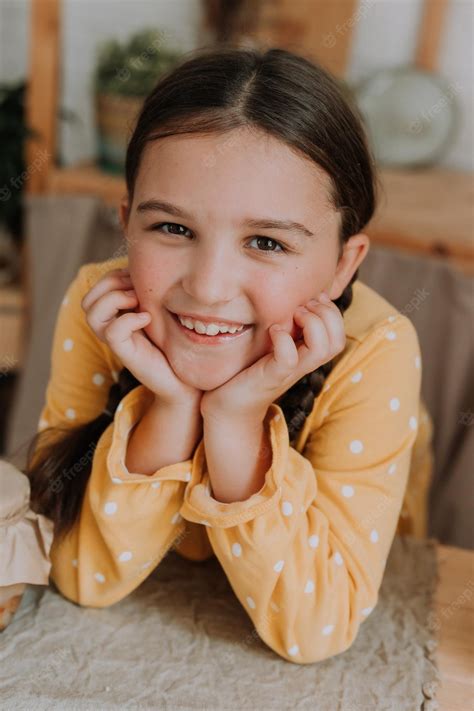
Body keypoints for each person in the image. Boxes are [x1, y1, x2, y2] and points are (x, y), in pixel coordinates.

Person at [25, 45, 434, 664]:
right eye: (173, 228)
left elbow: (315, 630)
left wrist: (237, 420)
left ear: (342, 264)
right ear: (127, 223)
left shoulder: (375, 352)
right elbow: (83, 578)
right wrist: (170, 404)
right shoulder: (102, 307)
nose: (209, 287)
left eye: (266, 241)